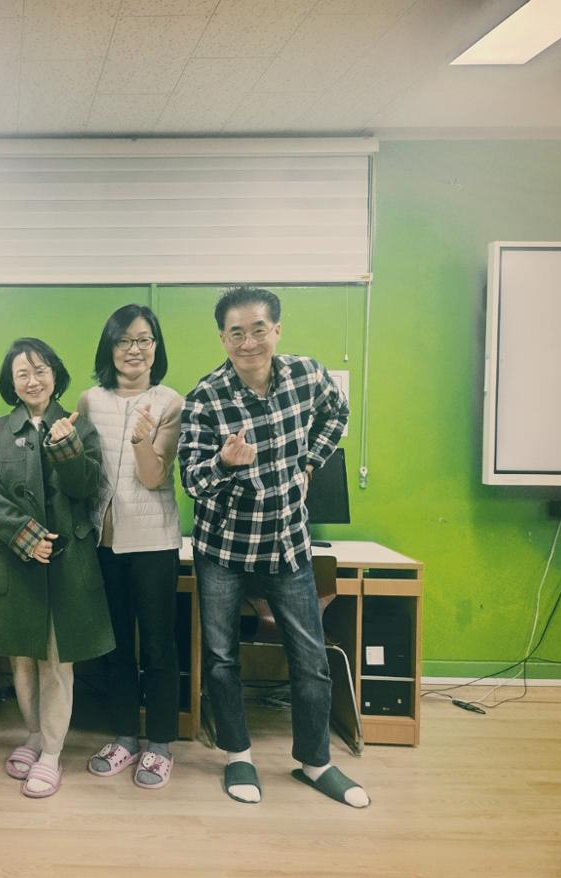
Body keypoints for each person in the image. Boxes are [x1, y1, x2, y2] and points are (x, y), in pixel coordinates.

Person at [178, 286, 368, 808]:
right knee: (221, 660)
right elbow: (192, 481)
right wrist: (224, 463)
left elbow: (338, 413)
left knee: (310, 659)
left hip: (287, 545)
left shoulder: (307, 376)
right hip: (223, 550)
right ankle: (238, 756)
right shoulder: (205, 397)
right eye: (236, 333)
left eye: (258, 329)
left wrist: (309, 461)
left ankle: (315, 762)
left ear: (276, 331)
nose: (248, 342)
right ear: (223, 338)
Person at [0, 338, 114, 799]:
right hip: (18, 563)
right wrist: (25, 537)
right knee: (21, 656)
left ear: (55, 375)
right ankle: (33, 735)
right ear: (11, 383)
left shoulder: (79, 426)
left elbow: (87, 487)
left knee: (56, 661)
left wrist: (66, 446)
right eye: (22, 373)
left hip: (68, 564)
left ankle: (52, 752)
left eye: (41, 370)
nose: (33, 380)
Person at [77, 304, 183, 789]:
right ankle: (124, 737)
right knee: (115, 643)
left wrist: (142, 440)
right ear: (110, 347)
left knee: (158, 644)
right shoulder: (90, 400)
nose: (134, 349)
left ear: (156, 347)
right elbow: (81, 471)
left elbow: (155, 477)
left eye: (144, 340)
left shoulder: (170, 402)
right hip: (104, 541)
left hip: (154, 541)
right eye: (124, 340)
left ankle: (159, 744)